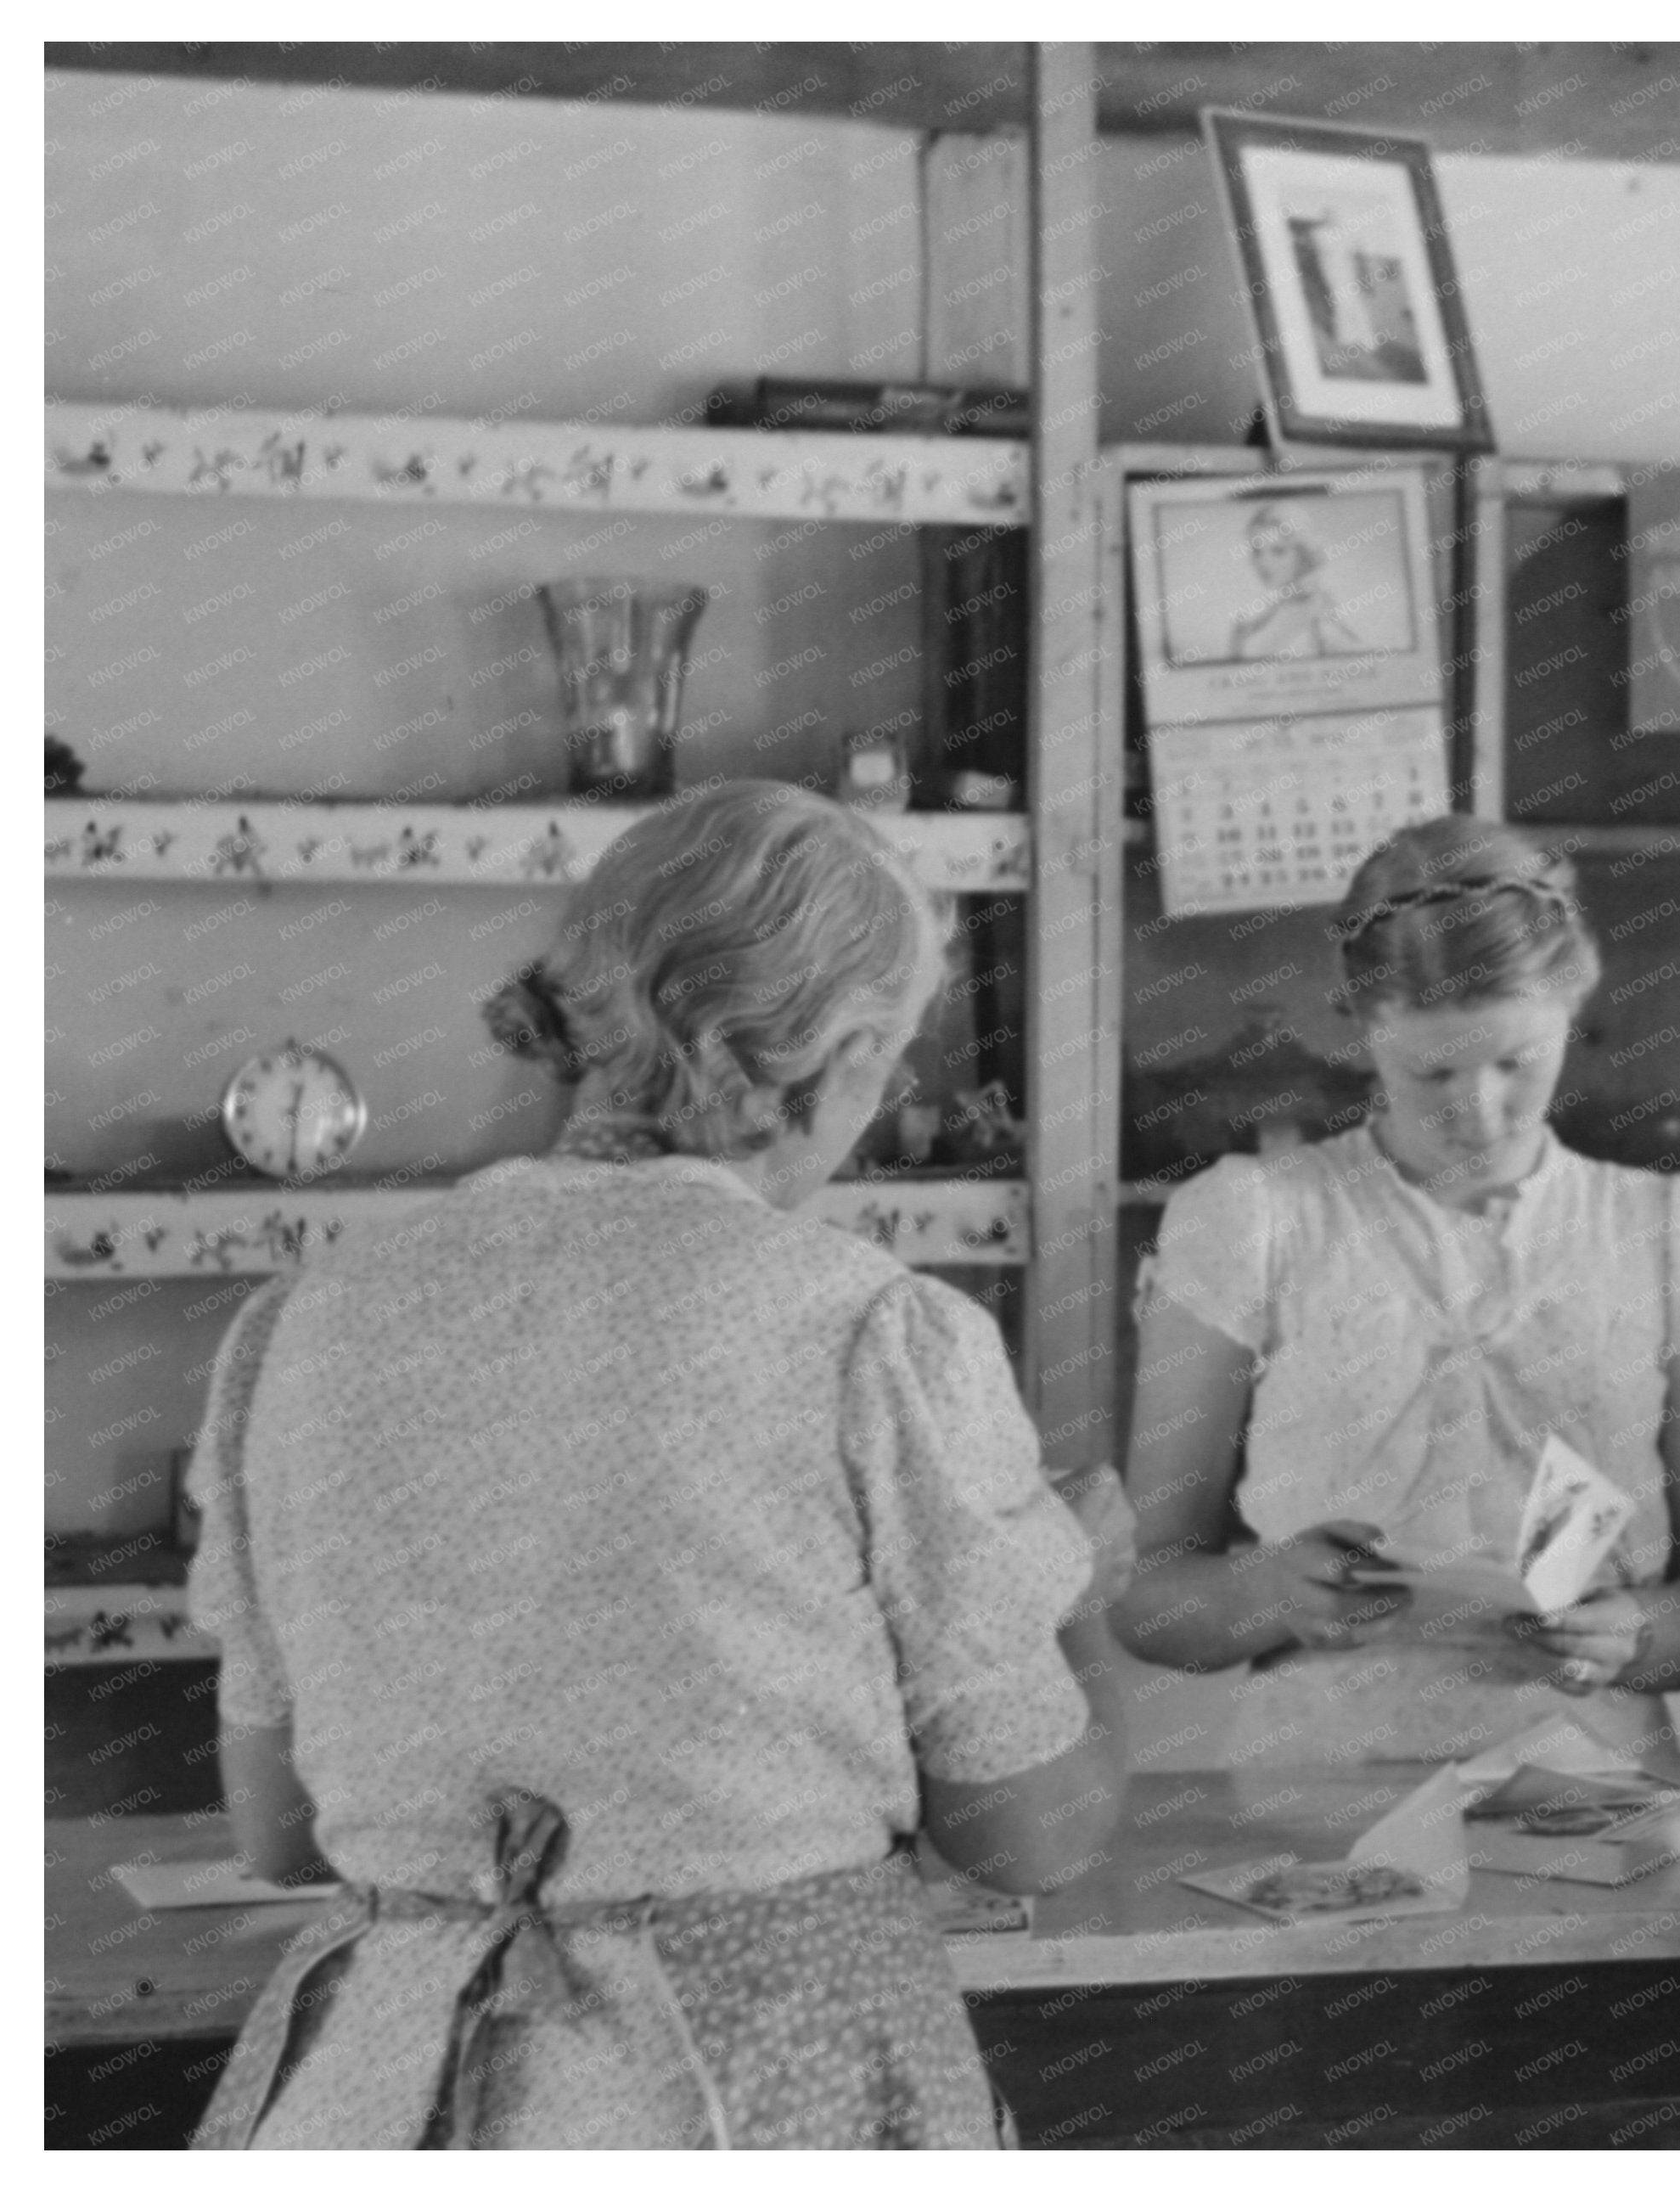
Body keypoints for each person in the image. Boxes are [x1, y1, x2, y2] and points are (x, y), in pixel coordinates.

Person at [184, 781, 1132, 2149]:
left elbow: (276, 1828)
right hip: (756, 2093)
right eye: (891, 1060)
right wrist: (1080, 1590)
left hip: (382, 2097)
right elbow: (1032, 1834)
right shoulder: (870, 1332)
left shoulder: (300, 1325)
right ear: (840, 1052)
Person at [1114, 816, 1680, 1766]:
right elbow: (1146, 1595)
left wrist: (1639, 1633)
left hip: (1591, 1793)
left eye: (1517, 1062)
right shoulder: (1249, 1219)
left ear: (1574, 1002)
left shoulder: (1668, 1229)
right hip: (1317, 1799)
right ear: (1362, 1027)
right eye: (1433, 1071)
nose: (1479, 1109)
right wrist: (1266, 1596)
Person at [1225, 506, 1365, 660]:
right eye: (1257, 551)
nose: (1264, 562)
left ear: (1302, 553)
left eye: (1278, 551)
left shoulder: (1321, 619)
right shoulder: (1264, 614)